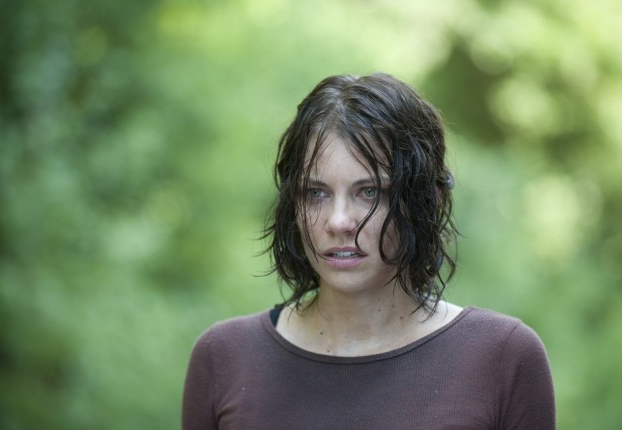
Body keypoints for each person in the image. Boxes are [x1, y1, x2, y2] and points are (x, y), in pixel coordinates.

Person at [181, 73, 556, 429]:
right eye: (316, 193)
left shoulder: (503, 358)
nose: (338, 221)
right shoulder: (224, 358)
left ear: (418, 201)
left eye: (369, 192)